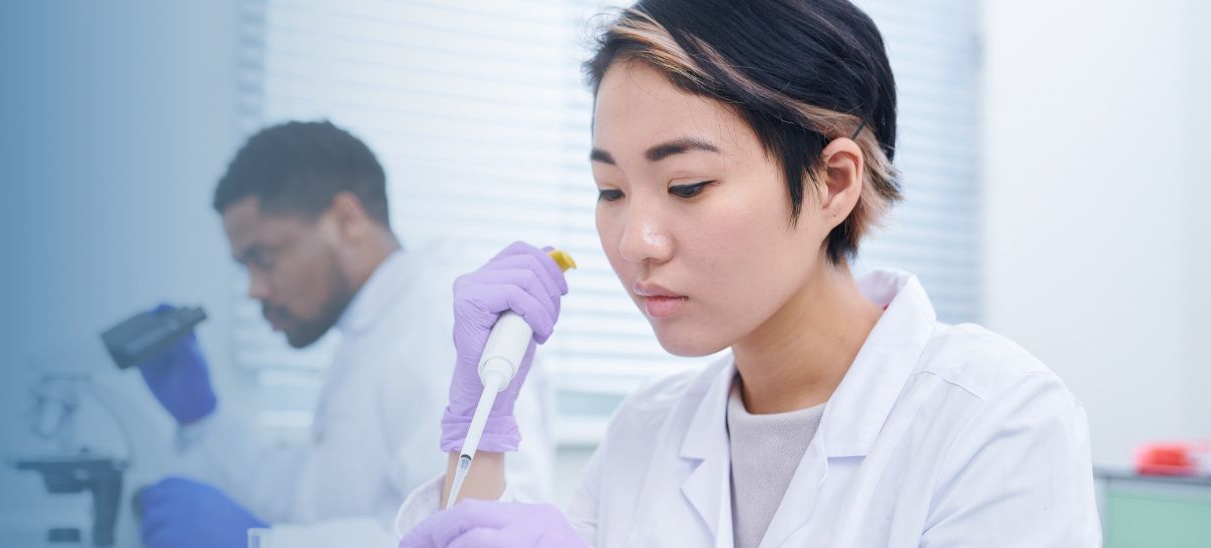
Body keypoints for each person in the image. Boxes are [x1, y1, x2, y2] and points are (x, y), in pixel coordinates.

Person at [395, 1, 1100, 546]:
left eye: (688, 185)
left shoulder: (997, 420)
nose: (635, 242)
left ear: (833, 182)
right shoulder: (646, 431)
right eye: (611, 191)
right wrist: (479, 429)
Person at [133, 121, 555, 548]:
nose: (254, 289)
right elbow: (308, 500)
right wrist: (204, 420)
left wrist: (268, 544)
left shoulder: (436, 319)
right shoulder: (372, 328)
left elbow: (483, 534)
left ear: (346, 220)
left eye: (264, 258)